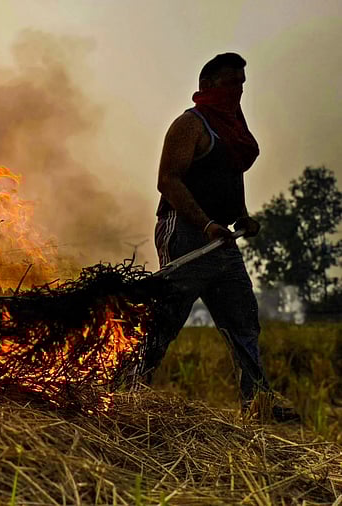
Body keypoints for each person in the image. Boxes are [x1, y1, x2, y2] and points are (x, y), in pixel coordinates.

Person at [145, 52, 298, 422]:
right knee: (165, 321)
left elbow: (232, 177)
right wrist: (205, 223)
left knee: (243, 318)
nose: (238, 91)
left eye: (242, 84)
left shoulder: (233, 132)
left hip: (221, 240)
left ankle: (257, 401)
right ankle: (125, 391)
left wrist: (241, 217)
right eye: (231, 83)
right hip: (185, 233)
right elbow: (168, 181)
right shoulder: (191, 124)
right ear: (208, 85)